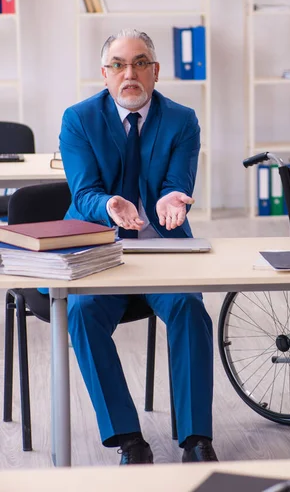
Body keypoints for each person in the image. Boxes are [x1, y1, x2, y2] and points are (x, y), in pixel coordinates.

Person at [59, 28, 217, 465]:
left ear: (156, 71)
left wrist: (172, 198)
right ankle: (128, 438)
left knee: (189, 307)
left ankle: (196, 438)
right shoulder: (79, 118)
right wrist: (110, 204)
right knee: (82, 313)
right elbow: (84, 190)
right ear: (105, 73)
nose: (130, 73)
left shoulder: (182, 119)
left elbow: (177, 183)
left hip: (162, 250)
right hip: (99, 253)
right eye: (119, 64)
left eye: (140, 63)